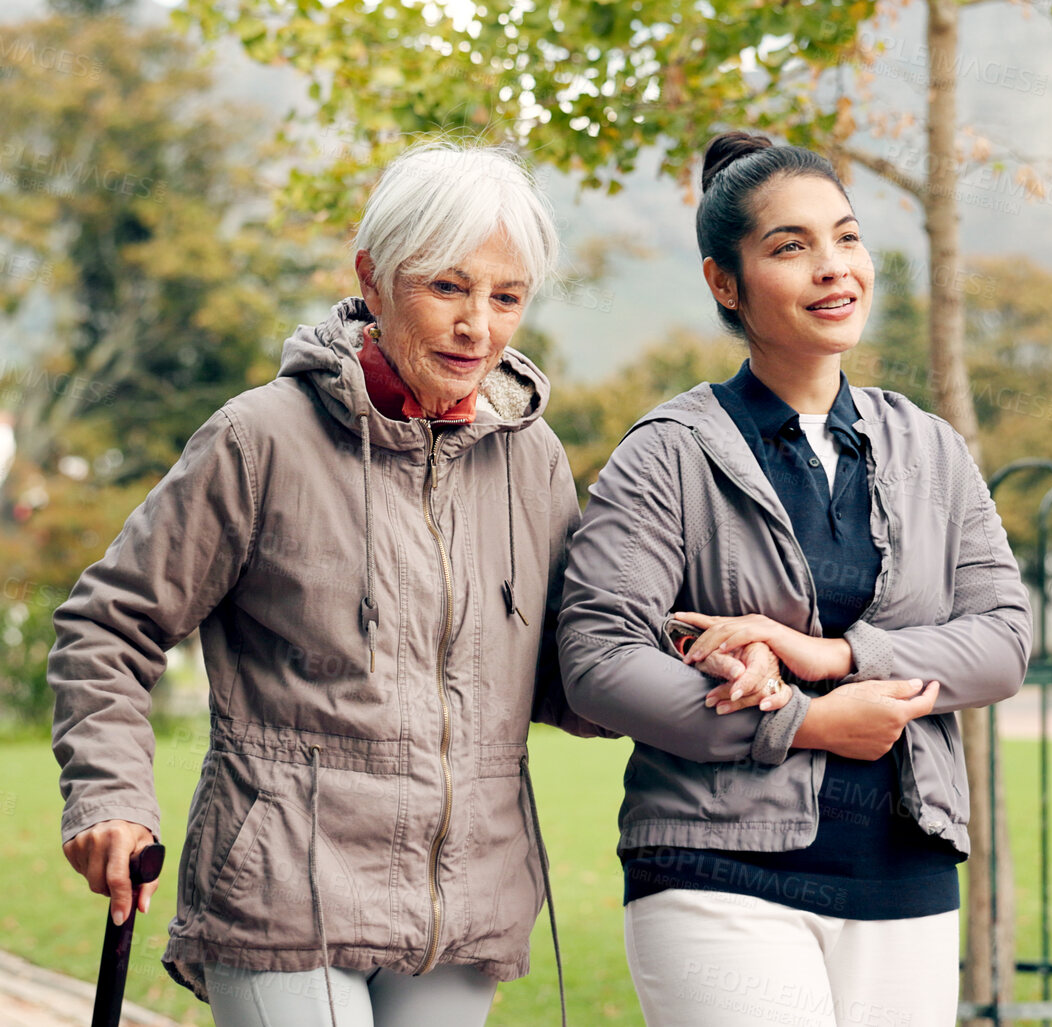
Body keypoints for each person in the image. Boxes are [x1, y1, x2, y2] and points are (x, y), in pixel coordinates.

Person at [48, 141, 708, 1027]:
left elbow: (565, 668)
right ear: (374, 274)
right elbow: (108, 624)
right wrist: (110, 797)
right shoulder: (259, 439)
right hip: (286, 887)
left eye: (505, 297)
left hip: (467, 899)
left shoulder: (533, 459)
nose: (478, 325)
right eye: (447, 287)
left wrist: (693, 652)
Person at [557, 131, 1034, 1027]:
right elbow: (596, 656)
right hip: (714, 868)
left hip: (904, 866)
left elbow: (1004, 640)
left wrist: (827, 656)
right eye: (791, 246)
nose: (832, 268)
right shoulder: (665, 454)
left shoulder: (932, 449)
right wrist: (803, 723)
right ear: (723, 284)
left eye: (846, 238)